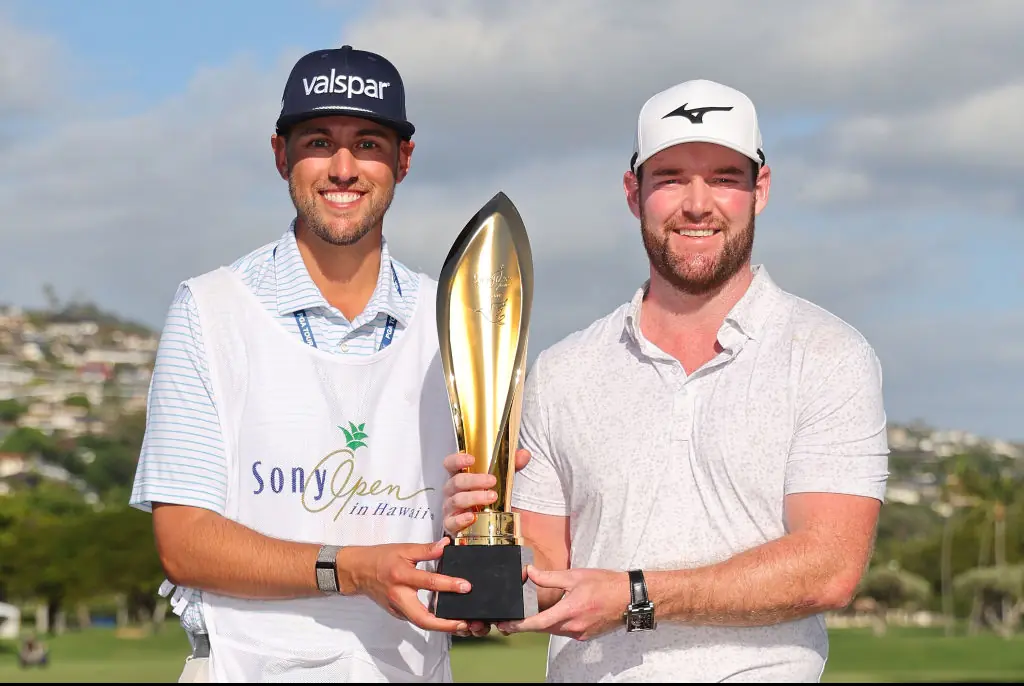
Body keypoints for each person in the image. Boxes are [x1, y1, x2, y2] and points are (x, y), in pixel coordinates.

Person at [442, 79, 890, 682]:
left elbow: (828, 566)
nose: (697, 204)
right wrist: (485, 546)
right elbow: (548, 571)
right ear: (634, 193)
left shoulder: (828, 354)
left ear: (761, 188)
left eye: (724, 178)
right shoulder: (562, 370)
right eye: (672, 177)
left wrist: (635, 597)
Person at [129, 44, 513, 683]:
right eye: (317, 142)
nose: (343, 168)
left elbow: (462, 528)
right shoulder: (210, 309)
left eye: (367, 143)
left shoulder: (453, 322)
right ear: (281, 154)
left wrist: (482, 525)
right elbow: (184, 542)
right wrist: (352, 568)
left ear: (402, 160)